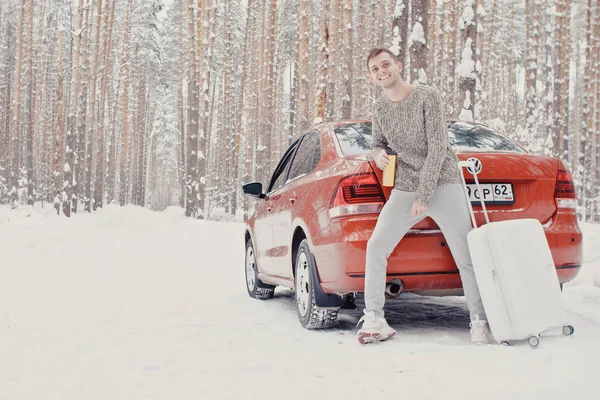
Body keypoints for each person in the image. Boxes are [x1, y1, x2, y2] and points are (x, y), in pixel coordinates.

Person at [356, 47, 489, 345]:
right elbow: (377, 143)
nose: (382, 71)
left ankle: (479, 321)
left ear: (398, 65)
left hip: (443, 183)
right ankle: (375, 318)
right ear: (371, 76)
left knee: (465, 257)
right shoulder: (379, 107)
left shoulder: (428, 95)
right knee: (376, 247)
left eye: (386, 65)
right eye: (375, 69)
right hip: (405, 187)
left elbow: (438, 147)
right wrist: (377, 154)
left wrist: (425, 195)